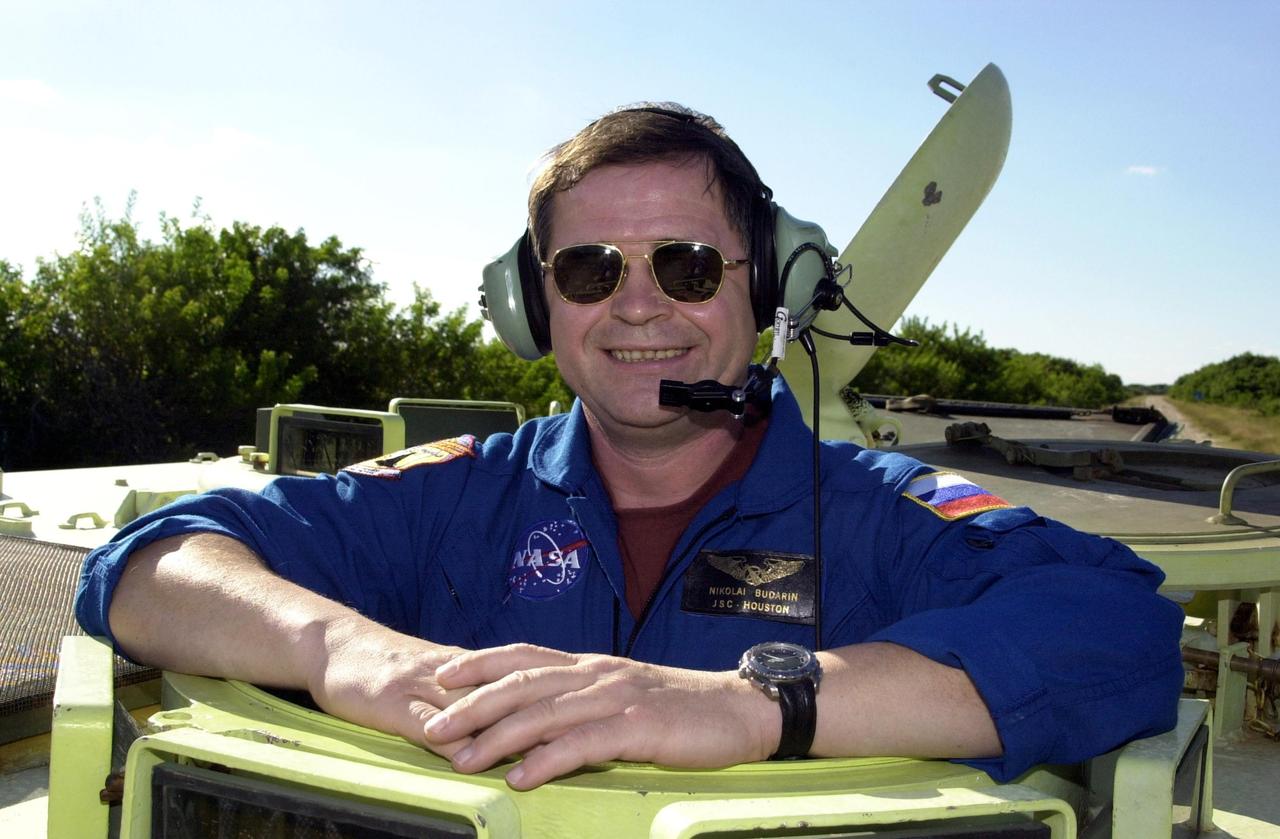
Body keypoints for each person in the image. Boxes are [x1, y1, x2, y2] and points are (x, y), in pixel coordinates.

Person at [75, 103, 1184, 791]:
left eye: (691, 265)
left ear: (772, 287)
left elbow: (1116, 625)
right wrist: (347, 653)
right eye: (591, 270)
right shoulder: (453, 500)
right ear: (533, 305)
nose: (638, 306)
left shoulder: (869, 508)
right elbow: (154, 562)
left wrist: (750, 705)